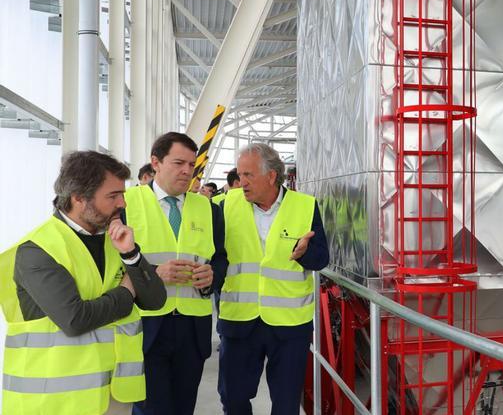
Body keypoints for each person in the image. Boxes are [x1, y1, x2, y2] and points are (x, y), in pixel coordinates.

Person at [0, 151, 166, 415]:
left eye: (122, 194)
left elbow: (156, 300)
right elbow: (75, 319)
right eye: (113, 196)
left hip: (112, 395)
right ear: (78, 198)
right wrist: (125, 292)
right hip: (55, 402)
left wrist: (131, 255)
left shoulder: (116, 239)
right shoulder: (38, 250)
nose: (122, 203)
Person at [215, 143, 328, 414]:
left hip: (289, 327)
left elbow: (321, 258)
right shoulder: (223, 205)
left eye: (248, 175)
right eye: (239, 175)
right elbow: (214, 256)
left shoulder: (305, 206)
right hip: (239, 322)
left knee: (286, 404)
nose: (241, 182)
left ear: (271, 176)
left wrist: (304, 253)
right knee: (233, 399)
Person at [124, 132, 225, 415]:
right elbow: (113, 264)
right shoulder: (127, 204)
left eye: (192, 165)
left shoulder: (208, 208)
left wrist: (213, 276)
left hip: (192, 327)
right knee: (151, 408)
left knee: (183, 407)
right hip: (147, 325)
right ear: (155, 162)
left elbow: (220, 258)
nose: (186, 171)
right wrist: (155, 273)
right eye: (179, 162)